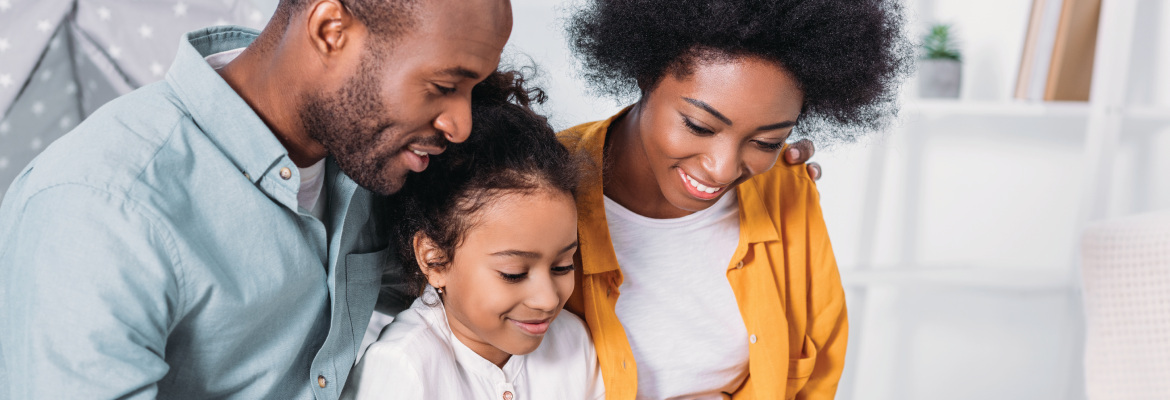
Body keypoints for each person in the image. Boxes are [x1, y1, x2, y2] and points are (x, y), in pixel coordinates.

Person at [0, 0, 511, 398]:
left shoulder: (369, 160)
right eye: (443, 86)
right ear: (331, 31)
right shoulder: (101, 208)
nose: (459, 124)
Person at [558, 0, 911, 398]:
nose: (723, 170)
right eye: (698, 126)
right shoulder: (538, 183)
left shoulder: (786, 189)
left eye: (766, 141)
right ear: (646, 73)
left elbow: (816, 374)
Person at [342, 70, 603, 400]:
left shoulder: (574, 342)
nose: (548, 299)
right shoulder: (403, 367)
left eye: (563, 266)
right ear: (435, 260)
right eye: (513, 273)